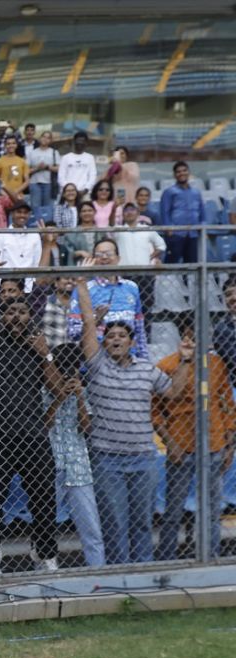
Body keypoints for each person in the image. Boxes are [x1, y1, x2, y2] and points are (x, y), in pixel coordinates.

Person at [74, 278, 190, 565]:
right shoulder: (98, 366)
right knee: (115, 527)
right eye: (110, 335)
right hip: (108, 461)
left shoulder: (146, 369)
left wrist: (186, 361)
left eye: (121, 336)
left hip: (143, 460)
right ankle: (119, 582)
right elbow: (89, 328)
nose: (115, 339)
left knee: (141, 525)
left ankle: (143, 577)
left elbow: (174, 392)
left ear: (132, 342)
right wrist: (81, 286)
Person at [153, 320, 236, 561]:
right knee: (174, 510)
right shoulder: (166, 365)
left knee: (211, 510)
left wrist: (230, 443)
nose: (194, 342)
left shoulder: (217, 364)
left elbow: (227, 406)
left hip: (214, 445)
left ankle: (210, 556)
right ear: (184, 338)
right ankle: (167, 558)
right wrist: (170, 443)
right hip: (182, 446)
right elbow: (156, 412)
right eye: (190, 336)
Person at [0, 297, 61, 572]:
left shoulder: (37, 346)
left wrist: (46, 355)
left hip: (34, 434)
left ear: (30, 316)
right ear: (1, 316)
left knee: (44, 495)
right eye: (10, 312)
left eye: (22, 312)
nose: (16, 317)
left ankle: (44, 553)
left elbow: (57, 389)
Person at [43, 342, 105, 567]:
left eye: (73, 367)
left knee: (92, 528)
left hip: (78, 467)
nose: (68, 373)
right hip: (51, 465)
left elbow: (86, 428)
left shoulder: (83, 391)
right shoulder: (42, 391)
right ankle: (43, 571)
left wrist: (78, 397)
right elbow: (43, 426)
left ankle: (98, 575)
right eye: (62, 368)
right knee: (45, 526)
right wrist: (59, 397)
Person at [158, 160, 203, 264]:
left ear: (188, 172)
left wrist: (202, 225)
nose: (182, 173)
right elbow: (165, 212)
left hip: (193, 233)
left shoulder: (196, 192)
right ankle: (166, 280)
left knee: (192, 263)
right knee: (172, 262)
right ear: (175, 175)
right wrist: (169, 230)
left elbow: (201, 211)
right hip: (176, 233)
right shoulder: (169, 192)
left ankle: (189, 281)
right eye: (178, 172)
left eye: (184, 170)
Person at [57, 131, 96, 195]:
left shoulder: (90, 158)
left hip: (84, 193)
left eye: (83, 141)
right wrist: (70, 190)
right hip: (68, 193)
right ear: (74, 142)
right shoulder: (66, 157)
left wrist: (86, 190)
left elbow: (92, 176)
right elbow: (61, 177)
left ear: (86, 143)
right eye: (78, 141)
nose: (80, 143)